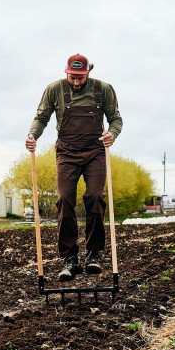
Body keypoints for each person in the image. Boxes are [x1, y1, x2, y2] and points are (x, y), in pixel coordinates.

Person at [25, 54, 122, 282]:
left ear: (88, 73)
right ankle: (70, 259)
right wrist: (32, 135)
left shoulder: (103, 89)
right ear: (65, 72)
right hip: (67, 153)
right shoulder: (54, 90)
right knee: (65, 199)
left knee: (95, 197)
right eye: (72, 77)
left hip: (95, 152)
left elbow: (116, 119)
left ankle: (93, 254)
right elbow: (41, 118)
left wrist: (112, 134)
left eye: (80, 78)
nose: (76, 82)